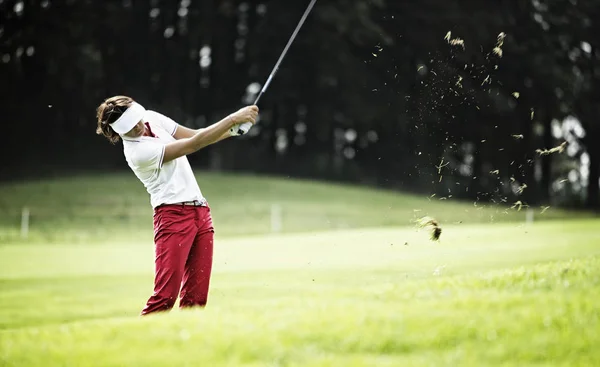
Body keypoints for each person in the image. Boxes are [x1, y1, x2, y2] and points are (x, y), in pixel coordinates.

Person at [95, 95, 259, 315]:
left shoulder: (151, 117)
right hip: (172, 217)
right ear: (118, 132)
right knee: (165, 298)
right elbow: (193, 144)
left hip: (201, 213)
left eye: (137, 119)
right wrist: (231, 119)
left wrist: (232, 131)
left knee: (197, 298)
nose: (139, 126)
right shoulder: (137, 153)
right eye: (130, 127)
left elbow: (195, 135)